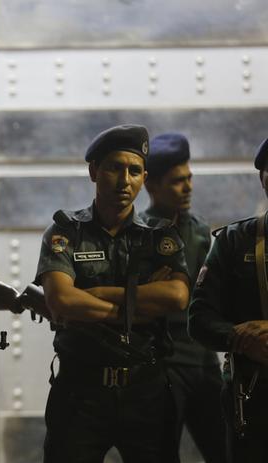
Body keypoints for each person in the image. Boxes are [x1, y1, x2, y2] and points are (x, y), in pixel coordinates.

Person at [35, 124, 190, 463]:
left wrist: (97, 293)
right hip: (80, 392)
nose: (125, 180)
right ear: (94, 171)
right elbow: (61, 300)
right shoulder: (65, 232)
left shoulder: (159, 237)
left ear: (144, 176)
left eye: (135, 171)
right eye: (114, 168)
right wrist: (135, 307)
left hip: (146, 390)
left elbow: (177, 296)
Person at [139, 133, 225, 462]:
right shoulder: (139, 234)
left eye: (189, 178)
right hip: (163, 365)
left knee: (225, 448)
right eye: (177, 181)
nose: (187, 187)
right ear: (152, 186)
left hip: (203, 361)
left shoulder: (201, 231)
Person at [189, 138, 268, 462]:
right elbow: (199, 319)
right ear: (263, 179)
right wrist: (238, 337)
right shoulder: (235, 241)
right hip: (252, 399)